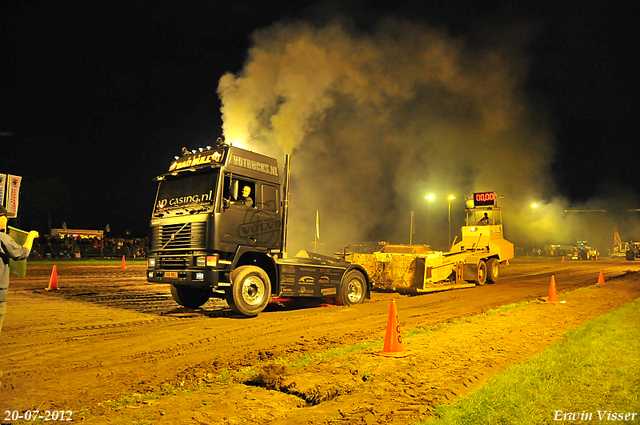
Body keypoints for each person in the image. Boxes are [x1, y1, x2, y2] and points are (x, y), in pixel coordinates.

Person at [0, 205, 39, 386]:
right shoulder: (1, 238)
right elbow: (21, 254)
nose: (6, 220)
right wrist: (30, 237)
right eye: (4, 217)